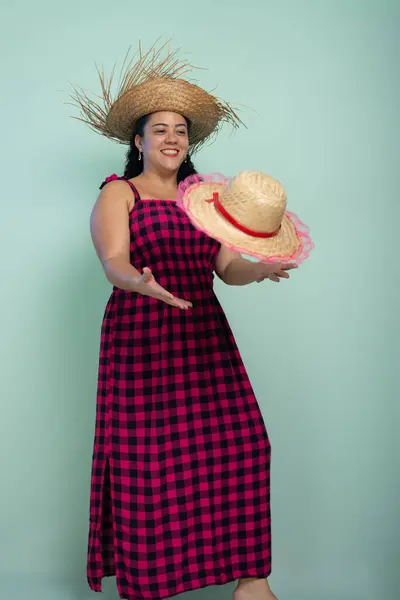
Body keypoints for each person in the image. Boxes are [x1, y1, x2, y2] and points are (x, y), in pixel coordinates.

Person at [71, 41, 299, 600]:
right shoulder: (118, 193)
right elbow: (115, 263)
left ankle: (252, 581)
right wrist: (140, 283)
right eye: (161, 129)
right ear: (138, 140)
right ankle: (149, 585)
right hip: (141, 339)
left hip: (202, 335)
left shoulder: (204, 201)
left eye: (181, 130)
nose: (173, 138)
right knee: (149, 469)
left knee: (246, 444)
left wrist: (260, 271)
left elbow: (225, 267)